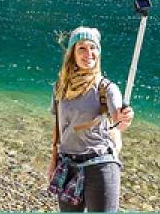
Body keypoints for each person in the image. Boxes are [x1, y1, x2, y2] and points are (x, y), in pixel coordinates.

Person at [48, 26, 134, 212]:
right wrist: (53, 161)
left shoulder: (107, 88)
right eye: (82, 48)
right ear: (72, 54)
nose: (89, 53)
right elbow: (58, 128)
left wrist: (125, 118)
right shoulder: (60, 87)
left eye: (93, 48)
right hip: (68, 165)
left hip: (100, 166)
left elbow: (119, 121)